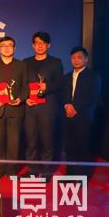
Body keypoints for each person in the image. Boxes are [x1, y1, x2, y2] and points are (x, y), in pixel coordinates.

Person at [0, 37, 28, 176]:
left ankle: (11, 170)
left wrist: (20, 99)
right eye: (3, 45)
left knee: (14, 142)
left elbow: (26, 86)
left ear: (14, 48)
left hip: (15, 109)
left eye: (10, 45)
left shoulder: (21, 66)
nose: (6, 48)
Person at [24, 31, 63, 177]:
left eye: (43, 43)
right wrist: (25, 99)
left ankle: (47, 170)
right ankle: (32, 169)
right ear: (32, 45)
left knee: (47, 140)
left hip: (48, 107)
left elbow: (60, 84)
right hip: (30, 107)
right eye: (37, 43)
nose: (40, 46)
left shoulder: (55, 62)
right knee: (31, 140)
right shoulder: (26, 62)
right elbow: (22, 85)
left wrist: (47, 87)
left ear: (48, 45)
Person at [61, 46, 101, 175]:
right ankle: (70, 173)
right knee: (69, 147)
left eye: (79, 57)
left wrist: (75, 108)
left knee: (83, 146)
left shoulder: (93, 76)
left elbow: (93, 96)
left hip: (84, 117)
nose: (76, 60)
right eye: (73, 58)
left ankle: (83, 176)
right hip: (68, 116)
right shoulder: (67, 77)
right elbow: (63, 94)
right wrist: (67, 105)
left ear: (86, 59)